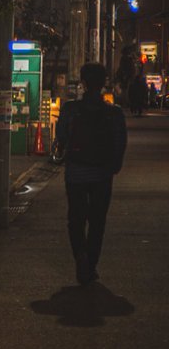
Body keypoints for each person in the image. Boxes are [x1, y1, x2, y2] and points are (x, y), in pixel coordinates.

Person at [54, 62, 127, 285]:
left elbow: (62, 137)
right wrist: (114, 166)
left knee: (76, 219)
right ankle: (90, 264)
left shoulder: (70, 109)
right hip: (102, 174)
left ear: (83, 83)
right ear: (104, 82)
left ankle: (81, 256)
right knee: (97, 221)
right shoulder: (114, 113)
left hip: (76, 172)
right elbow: (119, 142)